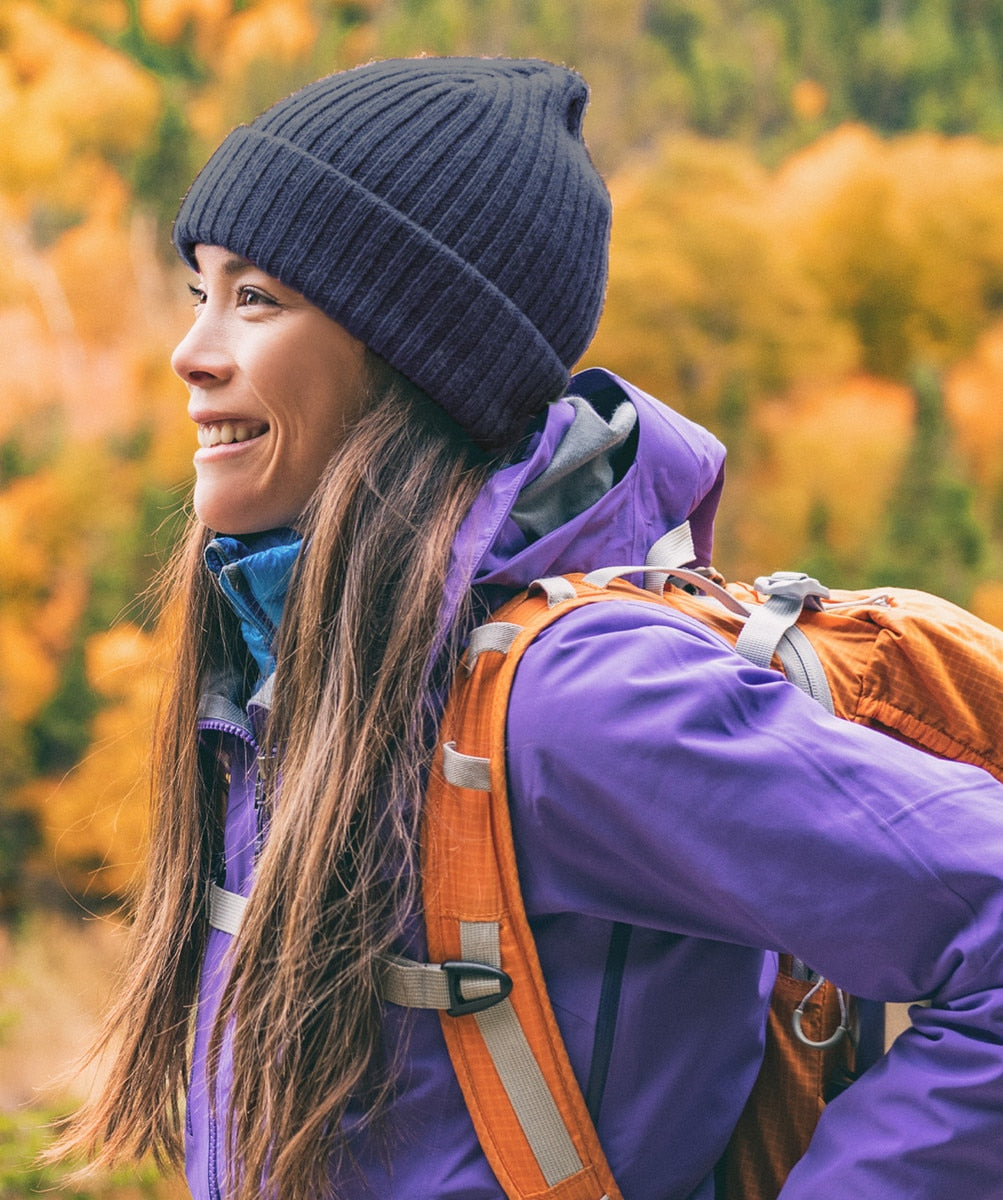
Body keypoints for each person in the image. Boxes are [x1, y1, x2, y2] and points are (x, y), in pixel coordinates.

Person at [60, 56, 1003, 1200]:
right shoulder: (290, 664)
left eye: (256, 298)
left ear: (415, 356)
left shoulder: (580, 702)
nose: (190, 350)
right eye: (201, 288)